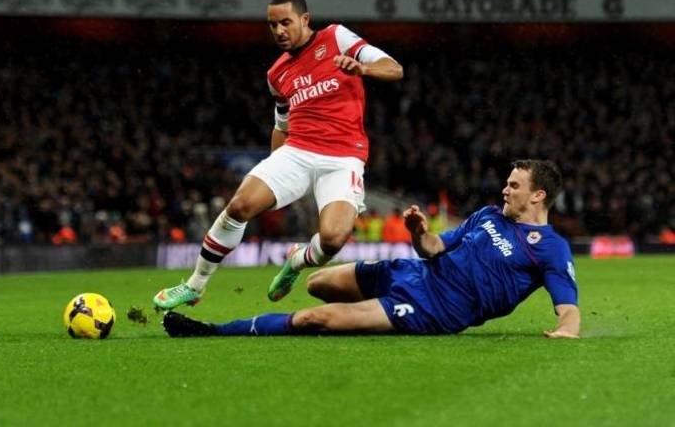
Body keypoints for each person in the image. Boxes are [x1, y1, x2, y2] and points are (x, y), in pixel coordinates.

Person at [153, 0, 403, 310]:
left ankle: (296, 261)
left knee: (333, 239)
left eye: (286, 22)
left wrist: (363, 69)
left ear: (305, 19)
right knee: (240, 204)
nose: (279, 31)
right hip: (296, 152)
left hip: (343, 159)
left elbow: (394, 68)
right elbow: (282, 125)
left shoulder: (336, 38)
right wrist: (275, 173)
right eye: (272, 25)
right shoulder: (277, 74)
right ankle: (194, 285)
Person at [161, 160, 580, 338]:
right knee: (318, 284)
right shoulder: (488, 215)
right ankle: (326, 280)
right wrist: (418, 232)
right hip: (415, 273)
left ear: (539, 195)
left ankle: (216, 330)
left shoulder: (551, 250)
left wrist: (565, 332)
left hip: (439, 308)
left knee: (313, 318)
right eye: (506, 182)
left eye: (514, 185)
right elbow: (433, 248)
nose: (504, 188)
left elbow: (569, 310)